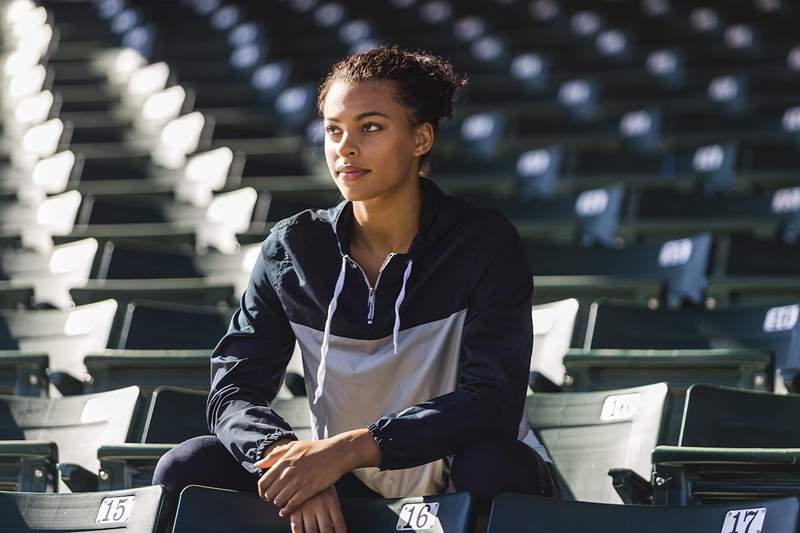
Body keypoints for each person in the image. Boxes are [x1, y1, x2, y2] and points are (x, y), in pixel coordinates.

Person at [153, 46, 559, 533]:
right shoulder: (293, 250)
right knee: (190, 465)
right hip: (349, 484)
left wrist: (346, 449)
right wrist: (289, 464)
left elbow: (492, 400)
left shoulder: (482, 242)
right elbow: (233, 390)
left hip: (466, 479)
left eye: (370, 127)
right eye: (333, 129)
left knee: (494, 464)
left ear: (420, 138)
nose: (345, 147)